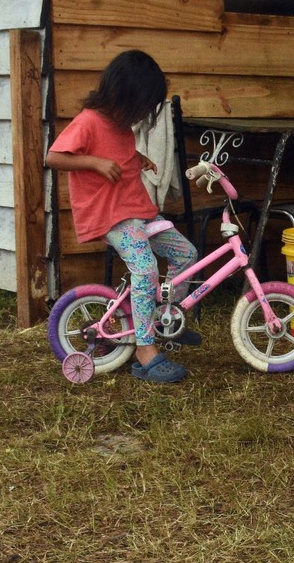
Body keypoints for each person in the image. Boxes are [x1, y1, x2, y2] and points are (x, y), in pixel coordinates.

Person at [46, 50, 197, 384]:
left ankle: (164, 318)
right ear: (123, 95)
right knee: (144, 270)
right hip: (112, 215)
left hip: (137, 210)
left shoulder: (121, 125)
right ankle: (145, 351)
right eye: (142, 105)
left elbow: (116, 148)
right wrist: (95, 163)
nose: (143, 113)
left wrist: (138, 156)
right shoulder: (87, 122)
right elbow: (54, 156)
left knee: (186, 254)